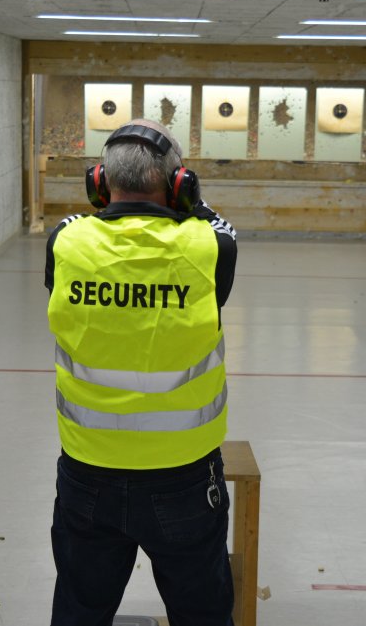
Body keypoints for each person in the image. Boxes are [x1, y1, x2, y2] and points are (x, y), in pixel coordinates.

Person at [44, 118, 238, 626]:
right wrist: (192, 199)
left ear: (99, 183)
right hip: (185, 477)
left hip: (88, 471)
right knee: (203, 614)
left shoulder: (65, 243)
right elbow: (216, 225)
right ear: (179, 186)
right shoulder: (210, 249)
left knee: (79, 610)